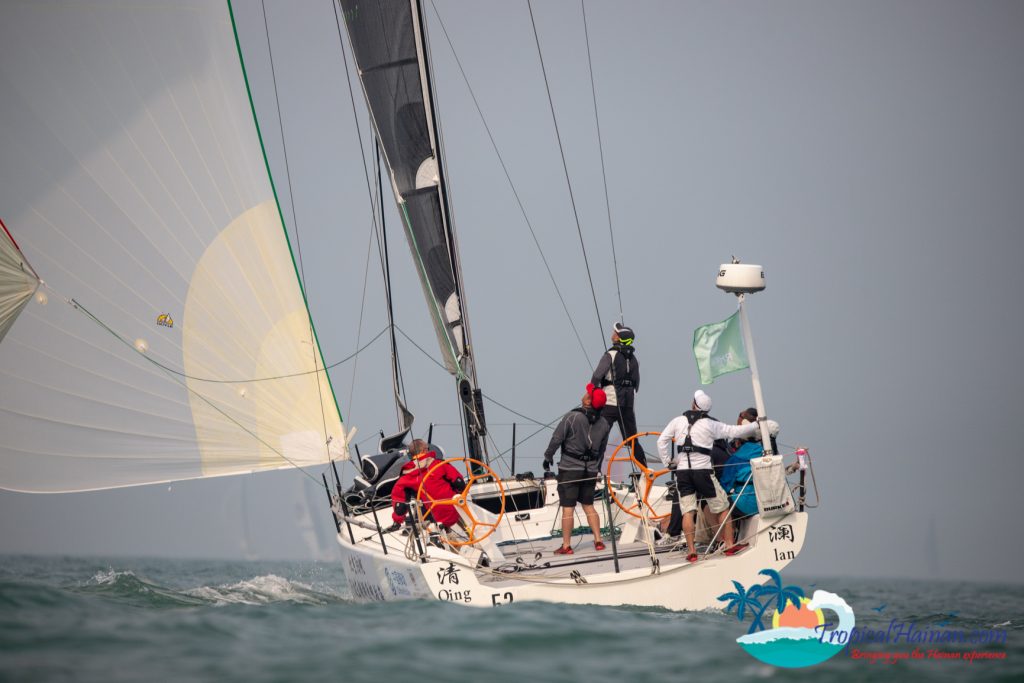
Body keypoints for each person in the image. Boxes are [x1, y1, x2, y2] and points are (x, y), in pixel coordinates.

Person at [656, 390, 776, 563]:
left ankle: (691, 551)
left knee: (688, 511)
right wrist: (758, 425)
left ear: (693, 404)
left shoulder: (677, 421)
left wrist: (669, 462)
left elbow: (661, 441)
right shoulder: (710, 425)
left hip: (682, 473)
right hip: (703, 473)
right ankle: (728, 545)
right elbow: (734, 431)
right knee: (723, 507)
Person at [543, 385, 612, 555]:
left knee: (568, 508)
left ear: (588, 401)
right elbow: (602, 450)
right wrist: (596, 469)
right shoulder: (604, 424)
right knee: (589, 505)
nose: (585, 393)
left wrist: (547, 457)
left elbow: (556, 439)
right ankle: (598, 541)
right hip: (590, 471)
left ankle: (566, 546)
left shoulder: (572, 417)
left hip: (570, 469)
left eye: (588, 393)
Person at [592, 322, 646, 466]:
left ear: (618, 338)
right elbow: (637, 384)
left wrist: (591, 393)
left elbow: (597, 376)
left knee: (600, 437)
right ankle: (645, 471)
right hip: (627, 406)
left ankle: (595, 472)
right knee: (633, 440)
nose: (612, 334)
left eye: (615, 332)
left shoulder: (610, 354)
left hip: (609, 404)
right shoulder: (634, 359)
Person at [391, 439, 466, 530]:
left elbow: (399, 500)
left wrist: (397, 522)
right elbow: (460, 484)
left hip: (433, 519)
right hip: (456, 511)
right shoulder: (439, 464)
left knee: (419, 501)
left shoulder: (406, 475)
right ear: (424, 450)